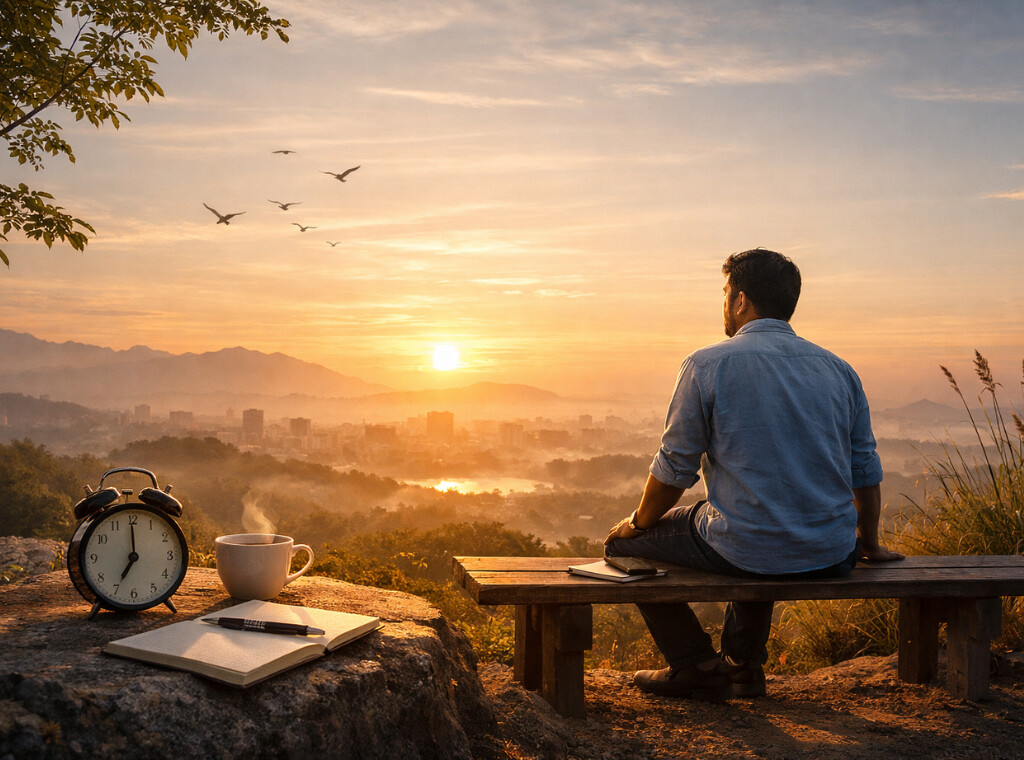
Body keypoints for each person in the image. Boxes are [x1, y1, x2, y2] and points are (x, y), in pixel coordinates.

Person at [604, 247, 904, 701]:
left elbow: (675, 467)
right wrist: (869, 543)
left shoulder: (707, 365)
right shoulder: (839, 370)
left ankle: (695, 665)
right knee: (751, 522)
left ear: (741, 301)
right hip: (833, 552)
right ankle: (743, 667)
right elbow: (864, 467)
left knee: (623, 546)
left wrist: (637, 524)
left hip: (747, 546)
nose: (723, 304)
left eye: (725, 293)